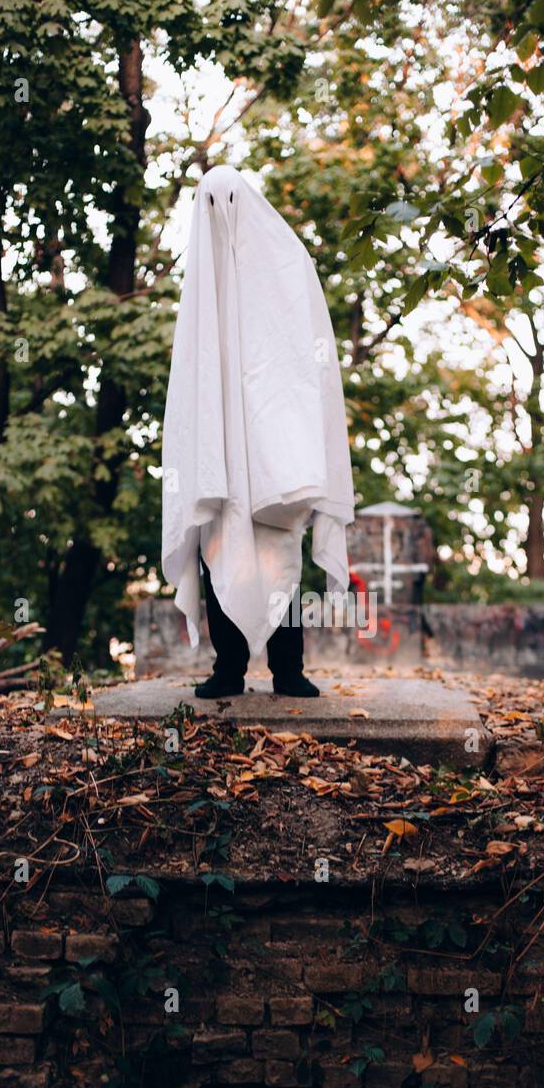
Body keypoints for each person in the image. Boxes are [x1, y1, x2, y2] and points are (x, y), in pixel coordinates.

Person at [161, 165, 354, 698]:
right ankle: (229, 670)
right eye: (210, 203)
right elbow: (195, 382)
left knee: (276, 553)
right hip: (222, 454)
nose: (220, 212)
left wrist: (281, 445)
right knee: (221, 547)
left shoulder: (287, 263)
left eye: (227, 200)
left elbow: (302, 356)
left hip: (276, 456)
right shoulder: (202, 287)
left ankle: (288, 669)